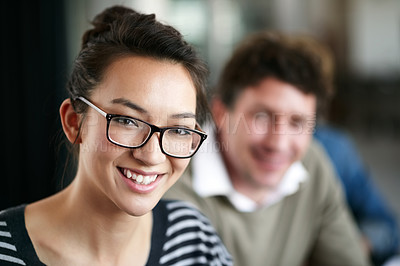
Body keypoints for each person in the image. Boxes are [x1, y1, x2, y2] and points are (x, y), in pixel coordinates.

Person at [0, 6, 233, 266]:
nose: (151, 155)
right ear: (74, 121)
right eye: (127, 121)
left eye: (178, 130)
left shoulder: (193, 239)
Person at [165, 31, 371, 266]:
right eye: (262, 116)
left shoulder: (312, 163)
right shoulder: (174, 180)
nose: (279, 143)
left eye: (297, 122)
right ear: (221, 113)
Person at [314, 124, 400, 266]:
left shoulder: (335, 150)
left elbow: (385, 227)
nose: (279, 144)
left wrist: (352, 247)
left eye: (297, 121)